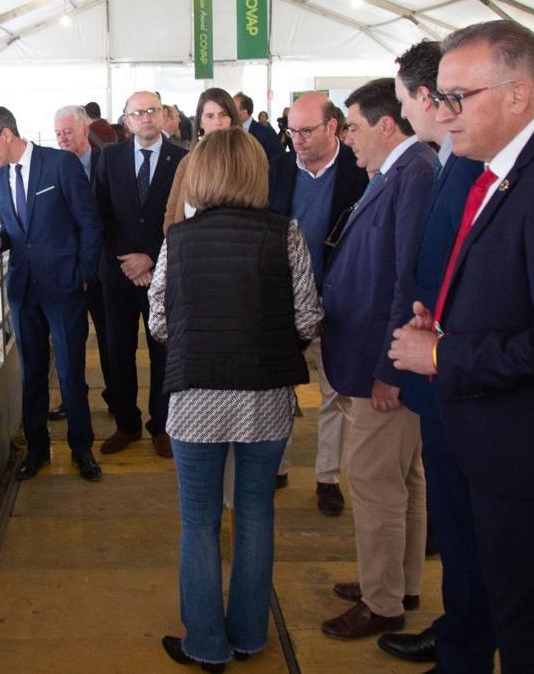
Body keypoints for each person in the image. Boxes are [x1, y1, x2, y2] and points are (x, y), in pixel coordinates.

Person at [388, 20, 534, 672]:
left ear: (518, 94)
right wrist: (448, 323)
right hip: (491, 438)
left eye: (457, 97)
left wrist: (445, 356)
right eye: (438, 96)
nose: (440, 111)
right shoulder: (499, 171)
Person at [150, 128, 321, 671]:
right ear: (255, 173)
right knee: (255, 516)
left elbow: (157, 321)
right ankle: (249, 635)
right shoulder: (286, 232)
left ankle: (205, 643)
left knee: (197, 523)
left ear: (200, 175)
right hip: (265, 398)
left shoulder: (177, 239)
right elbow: (308, 318)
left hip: (194, 395)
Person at [377, 39, 494, 673]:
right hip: (442, 355)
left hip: (464, 368)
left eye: (404, 99)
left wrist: (440, 342)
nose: (440, 111)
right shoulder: (451, 155)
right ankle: (461, 629)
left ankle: (468, 641)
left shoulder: (468, 163)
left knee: (469, 520)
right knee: (454, 514)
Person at [319, 78, 435, 640]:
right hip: (374, 353)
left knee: (372, 482)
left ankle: (382, 602)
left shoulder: (414, 174)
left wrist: (391, 369)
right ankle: (397, 581)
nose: (349, 138)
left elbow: (408, 278)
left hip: (380, 361)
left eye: (355, 127)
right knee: (405, 479)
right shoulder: (394, 172)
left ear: (388, 124)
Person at [0, 106, 103, 483]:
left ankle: (82, 448)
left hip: (64, 285)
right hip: (24, 287)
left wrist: (85, 274)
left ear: (7, 135)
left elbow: (89, 223)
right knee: (31, 371)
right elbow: (15, 230)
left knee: (70, 370)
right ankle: (37, 449)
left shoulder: (60, 165)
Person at [268, 92, 369, 515]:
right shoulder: (276, 169)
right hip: (285, 299)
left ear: (334, 128)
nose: (297, 139)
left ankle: (328, 477)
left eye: (306, 131)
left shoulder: (358, 172)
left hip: (338, 301)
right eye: (291, 130)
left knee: (335, 393)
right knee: (279, 390)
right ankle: (277, 466)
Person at [93, 91, 188, 458]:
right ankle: (127, 423)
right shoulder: (110, 157)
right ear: (126, 121)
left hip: (162, 272)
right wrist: (126, 260)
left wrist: (149, 257)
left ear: (164, 116)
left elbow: (182, 216)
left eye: (152, 111)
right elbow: (99, 212)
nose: (146, 118)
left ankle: (161, 425)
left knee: (163, 350)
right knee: (118, 349)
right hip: (118, 273)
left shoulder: (182, 159)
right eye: (138, 113)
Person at [49, 104, 117, 422]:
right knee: (68, 341)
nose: (62, 139)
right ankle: (72, 400)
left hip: (104, 269)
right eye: (58, 133)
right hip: (67, 272)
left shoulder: (109, 163)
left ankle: (116, 396)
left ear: (85, 130)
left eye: (68, 132)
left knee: (109, 336)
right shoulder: (52, 168)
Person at [165, 88, 240, 231]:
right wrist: (173, 242)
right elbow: (172, 212)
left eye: (223, 114)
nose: (217, 122)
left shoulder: (245, 159)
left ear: (232, 118)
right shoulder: (187, 162)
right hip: (186, 246)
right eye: (210, 116)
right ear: (200, 123)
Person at [234, 92, 283, 159]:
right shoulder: (229, 131)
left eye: (233, 109)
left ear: (244, 112)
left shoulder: (266, 133)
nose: (229, 111)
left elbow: (279, 159)